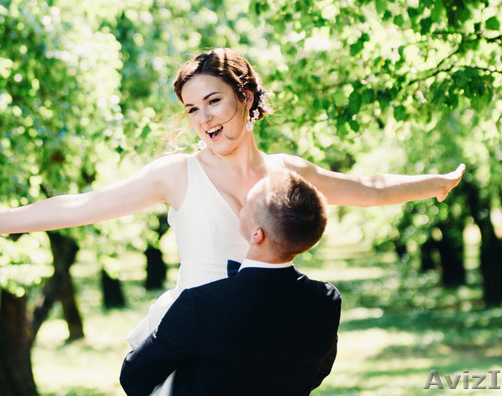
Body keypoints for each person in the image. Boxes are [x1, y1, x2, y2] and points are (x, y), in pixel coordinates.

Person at [0, 47, 465, 395]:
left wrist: (434, 183)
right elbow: (78, 206)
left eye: (213, 101)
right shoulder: (177, 174)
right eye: (191, 109)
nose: (203, 120)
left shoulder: (287, 172)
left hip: (266, 345)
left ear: (245, 96)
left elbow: (365, 188)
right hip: (195, 342)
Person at [120, 169, 342, 396]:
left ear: (257, 234)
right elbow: (319, 370)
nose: (240, 203)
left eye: (247, 202)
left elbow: (134, 378)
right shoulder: (326, 300)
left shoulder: (199, 305)